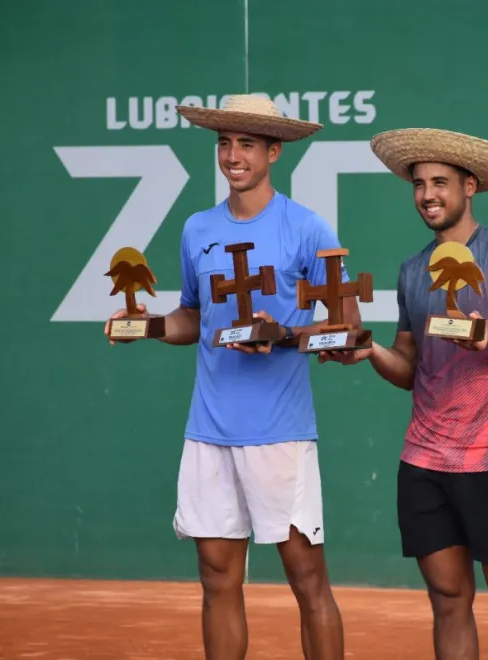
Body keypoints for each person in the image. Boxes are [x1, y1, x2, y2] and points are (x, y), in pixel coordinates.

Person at [104, 94, 354, 660]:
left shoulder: (308, 228)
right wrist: (139, 327)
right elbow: (194, 316)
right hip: (208, 431)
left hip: (280, 434)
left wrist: (283, 334)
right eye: (223, 143)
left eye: (246, 144)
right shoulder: (198, 229)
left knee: (306, 580)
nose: (232, 155)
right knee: (217, 579)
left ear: (275, 151)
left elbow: (346, 333)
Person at [322, 127, 488, 659]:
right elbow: (409, 368)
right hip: (425, 463)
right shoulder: (411, 271)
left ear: (470, 186)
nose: (428, 194)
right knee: (448, 599)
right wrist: (370, 351)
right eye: (419, 184)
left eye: (440, 183)